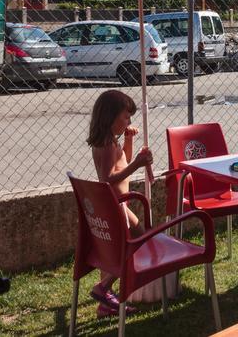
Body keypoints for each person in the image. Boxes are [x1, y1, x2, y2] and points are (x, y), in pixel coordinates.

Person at [85, 89, 153, 317]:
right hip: (116, 205)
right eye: (125, 117)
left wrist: (129, 140)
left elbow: (122, 163)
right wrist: (139, 165)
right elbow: (106, 180)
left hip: (119, 204)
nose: (129, 121)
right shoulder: (105, 146)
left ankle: (105, 302)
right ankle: (104, 288)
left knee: (128, 244)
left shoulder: (111, 142)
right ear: (110, 117)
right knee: (134, 244)